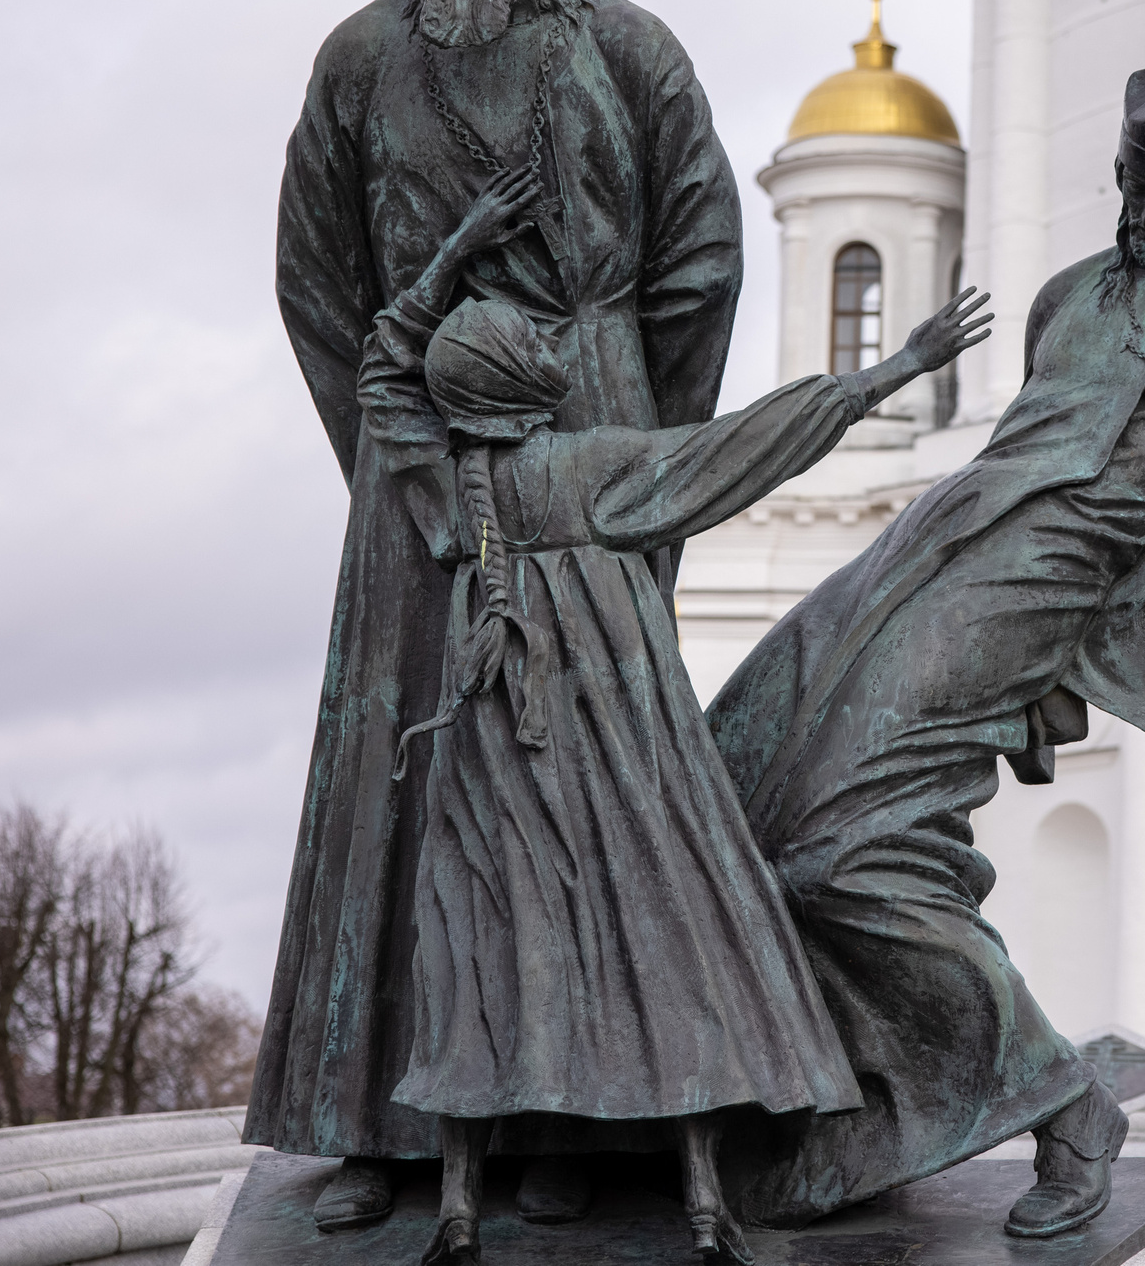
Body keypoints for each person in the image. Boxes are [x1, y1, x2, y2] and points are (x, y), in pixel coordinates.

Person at [258, 0, 746, 1233]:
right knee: (400, 788)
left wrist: (641, 470)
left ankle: (575, 1127)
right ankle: (383, 1124)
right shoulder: (358, 60)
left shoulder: (628, 51)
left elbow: (703, 263)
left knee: (590, 788)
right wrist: (387, 455)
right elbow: (311, 277)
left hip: (589, 445)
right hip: (413, 461)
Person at [354, 167, 990, 1265]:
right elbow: (753, 442)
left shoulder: (445, 484)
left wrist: (455, 249)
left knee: (477, 954)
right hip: (620, 761)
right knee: (682, 936)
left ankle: (458, 1210)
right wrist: (899, 367)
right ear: (521, 377)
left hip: (494, 758)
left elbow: (380, 371)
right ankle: (705, 1203)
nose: (551, 342)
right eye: (527, 336)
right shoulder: (592, 470)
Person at [708, 65, 1145, 1239]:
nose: (1140, 216)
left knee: (843, 857)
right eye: (1132, 187)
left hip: (1040, 598)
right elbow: (1020, 446)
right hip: (929, 549)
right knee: (731, 784)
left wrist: (1078, 673)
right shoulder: (1070, 294)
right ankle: (849, 1091)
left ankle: (1066, 1102)